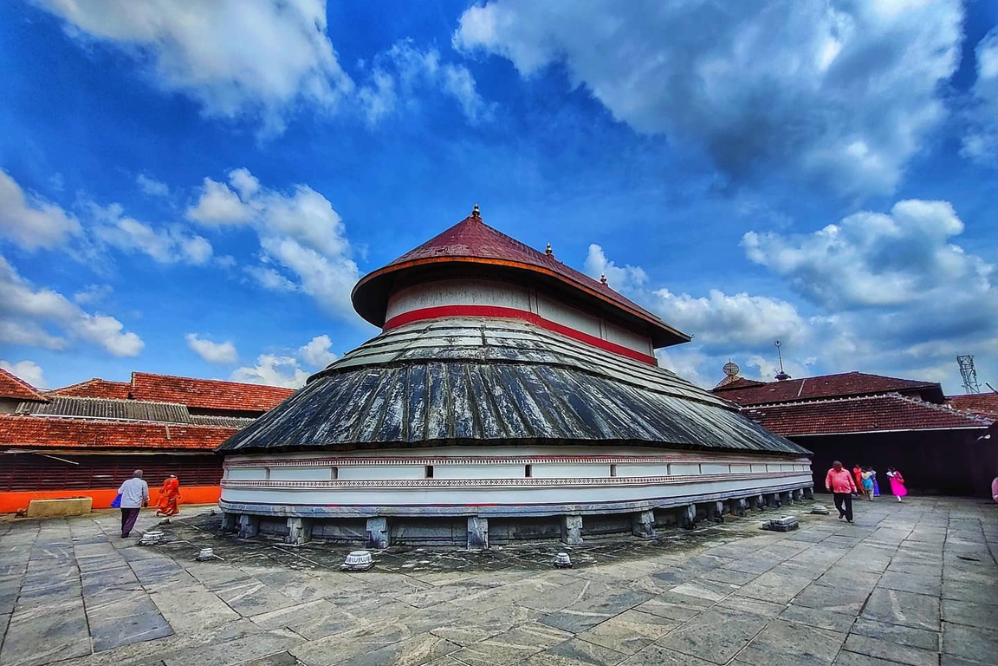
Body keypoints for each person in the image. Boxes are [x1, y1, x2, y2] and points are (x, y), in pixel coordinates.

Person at [118, 469, 149, 537]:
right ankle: (125, 532)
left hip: (124, 504)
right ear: (141, 476)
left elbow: (119, 491)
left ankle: (123, 529)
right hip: (135, 504)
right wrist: (146, 501)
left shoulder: (126, 482)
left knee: (124, 517)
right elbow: (145, 494)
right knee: (131, 518)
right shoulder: (143, 483)